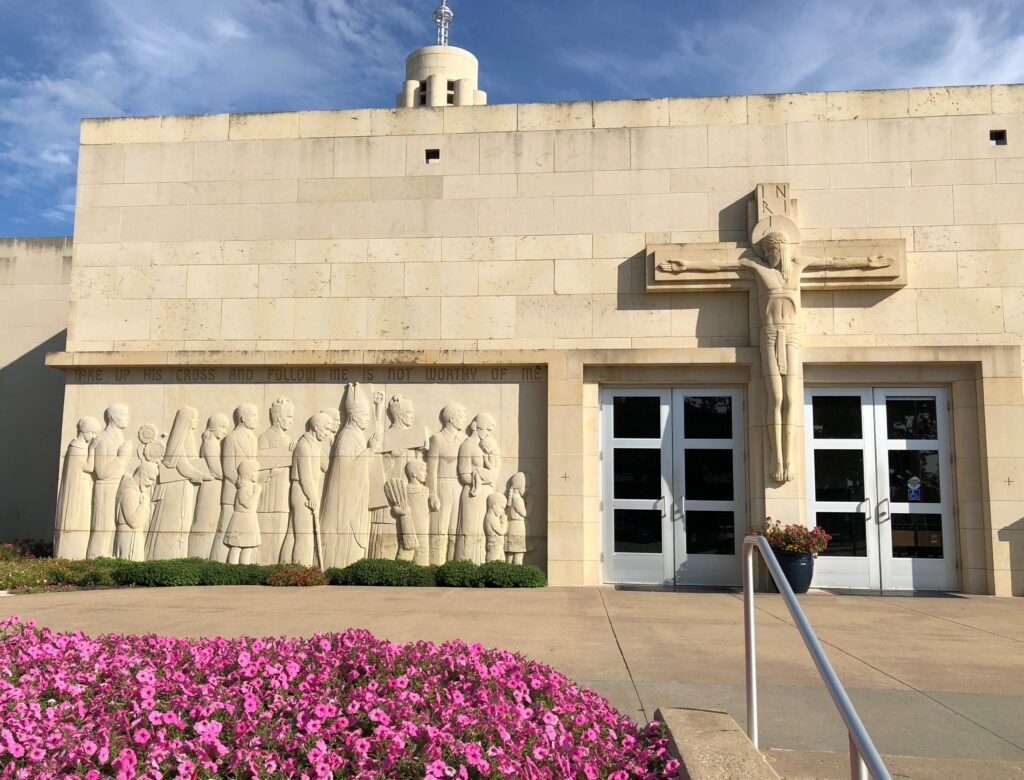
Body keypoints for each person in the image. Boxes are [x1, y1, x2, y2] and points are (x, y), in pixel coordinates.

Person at [658, 230, 891, 482]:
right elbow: (720, 265)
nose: (771, 255)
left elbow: (833, 262)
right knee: (776, 396)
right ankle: (776, 458)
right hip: (769, 335)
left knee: (791, 396)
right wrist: (687, 265)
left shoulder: (799, 265)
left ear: (784, 249)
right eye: (768, 251)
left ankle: (788, 457)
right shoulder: (758, 268)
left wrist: (867, 262)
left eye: (775, 250)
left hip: (791, 335)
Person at [322, 384, 382, 568]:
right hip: (346, 503)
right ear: (355, 417)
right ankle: (340, 569)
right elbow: (345, 470)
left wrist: (378, 410)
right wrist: (369, 451)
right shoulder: (347, 437)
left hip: (357, 497)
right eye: (365, 417)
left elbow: (375, 434)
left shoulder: (356, 434)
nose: (366, 421)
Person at [147, 407, 209, 560]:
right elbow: (183, 467)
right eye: (193, 418)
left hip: (184, 487)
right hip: (175, 489)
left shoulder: (188, 439)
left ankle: (178, 557)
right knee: (172, 523)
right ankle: (166, 556)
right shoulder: (177, 443)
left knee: (183, 523)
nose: (196, 421)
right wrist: (202, 476)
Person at [210, 404, 259, 562]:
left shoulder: (253, 438)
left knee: (244, 537)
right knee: (226, 530)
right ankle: (217, 563)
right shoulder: (231, 438)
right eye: (253, 416)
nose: (256, 419)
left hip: (248, 493)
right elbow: (228, 467)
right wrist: (241, 483)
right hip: (232, 491)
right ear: (243, 418)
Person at [283, 413, 331, 567]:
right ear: (316, 427)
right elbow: (305, 476)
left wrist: (331, 445)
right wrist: (313, 496)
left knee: (293, 532)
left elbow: (326, 466)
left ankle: (285, 565)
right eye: (326, 429)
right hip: (303, 492)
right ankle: (301, 570)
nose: (327, 433)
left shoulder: (314, 444)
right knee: (304, 535)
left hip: (309, 490)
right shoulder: (303, 445)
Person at [86, 404, 132, 559]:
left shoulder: (119, 436)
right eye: (124, 415)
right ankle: (94, 560)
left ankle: (106, 559)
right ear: (113, 417)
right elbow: (100, 472)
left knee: (112, 526)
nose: (128, 418)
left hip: (117, 486)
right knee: (102, 527)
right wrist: (121, 458)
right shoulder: (102, 439)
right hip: (106, 488)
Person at [54, 416, 102, 559]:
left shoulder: (79, 447)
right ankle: (70, 555)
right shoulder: (76, 448)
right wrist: (92, 449)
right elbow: (89, 467)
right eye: (93, 432)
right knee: (79, 520)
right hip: (77, 492)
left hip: (82, 488)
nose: (94, 436)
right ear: (86, 431)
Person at [454, 413, 498, 564]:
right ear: (476, 427)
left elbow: (495, 470)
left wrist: (484, 473)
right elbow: (464, 475)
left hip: (486, 493)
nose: (488, 434)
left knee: (483, 532)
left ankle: (482, 565)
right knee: (470, 530)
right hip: (472, 494)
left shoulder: (486, 446)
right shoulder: (466, 446)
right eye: (486, 430)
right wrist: (483, 476)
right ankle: (465, 566)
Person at [426, 403, 467, 563]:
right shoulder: (437, 439)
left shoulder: (465, 440)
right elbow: (431, 470)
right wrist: (432, 493)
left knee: (455, 531)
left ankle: (452, 566)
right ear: (451, 418)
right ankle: (436, 565)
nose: (464, 421)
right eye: (461, 417)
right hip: (442, 486)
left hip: (460, 488)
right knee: (439, 530)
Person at [257, 397, 294, 564]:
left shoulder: (287, 439)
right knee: (267, 534)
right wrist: (270, 473)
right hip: (268, 497)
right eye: (289, 417)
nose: (291, 421)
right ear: (278, 418)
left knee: (279, 533)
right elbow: (256, 466)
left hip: (282, 495)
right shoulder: (265, 437)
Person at [188, 413, 230, 559]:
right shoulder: (209, 444)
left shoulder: (215, 444)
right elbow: (217, 471)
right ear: (214, 427)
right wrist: (233, 474)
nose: (225, 431)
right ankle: (197, 557)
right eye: (223, 427)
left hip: (215, 487)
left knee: (210, 524)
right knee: (204, 523)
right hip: (211, 488)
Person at [113, 461, 158, 561]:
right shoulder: (129, 491)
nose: (150, 484)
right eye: (150, 479)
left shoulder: (134, 490)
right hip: (128, 536)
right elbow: (133, 522)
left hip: (132, 535)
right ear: (142, 475)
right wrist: (145, 505)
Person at [224, 460, 262, 565]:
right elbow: (247, 504)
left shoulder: (251, 486)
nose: (257, 474)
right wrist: (257, 493)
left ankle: (244, 570)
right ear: (247, 473)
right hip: (242, 520)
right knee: (236, 546)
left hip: (249, 519)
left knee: (248, 547)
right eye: (255, 471)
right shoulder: (243, 488)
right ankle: (232, 569)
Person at [505, 472, 529, 565]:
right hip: (518, 528)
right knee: (518, 556)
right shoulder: (517, 499)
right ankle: (517, 576)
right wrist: (530, 502)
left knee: (510, 556)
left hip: (512, 527)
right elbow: (525, 513)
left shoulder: (513, 498)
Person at [484, 492, 508, 563]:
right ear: (494, 505)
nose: (502, 511)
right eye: (502, 508)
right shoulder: (491, 517)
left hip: (498, 545)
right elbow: (501, 531)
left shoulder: (494, 517)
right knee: (492, 561)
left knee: (502, 561)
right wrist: (504, 521)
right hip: (494, 545)